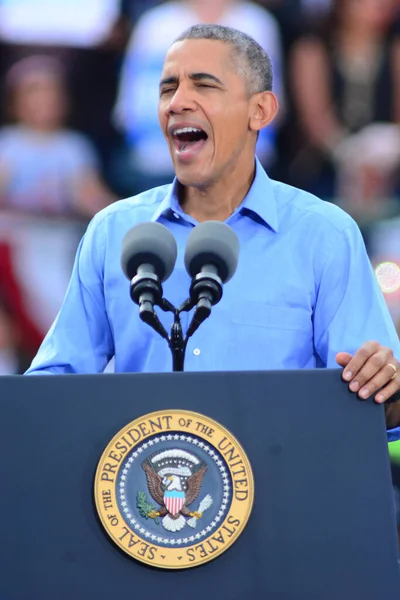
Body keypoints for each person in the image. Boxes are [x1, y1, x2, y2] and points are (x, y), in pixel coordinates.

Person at [26, 24, 400, 438]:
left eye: (203, 86)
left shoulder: (325, 234)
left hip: (285, 495)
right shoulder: (113, 233)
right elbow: (53, 385)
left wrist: (387, 389)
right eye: (167, 89)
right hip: (144, 498)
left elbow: (375, 400)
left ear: (260, 111)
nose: (178, 102)